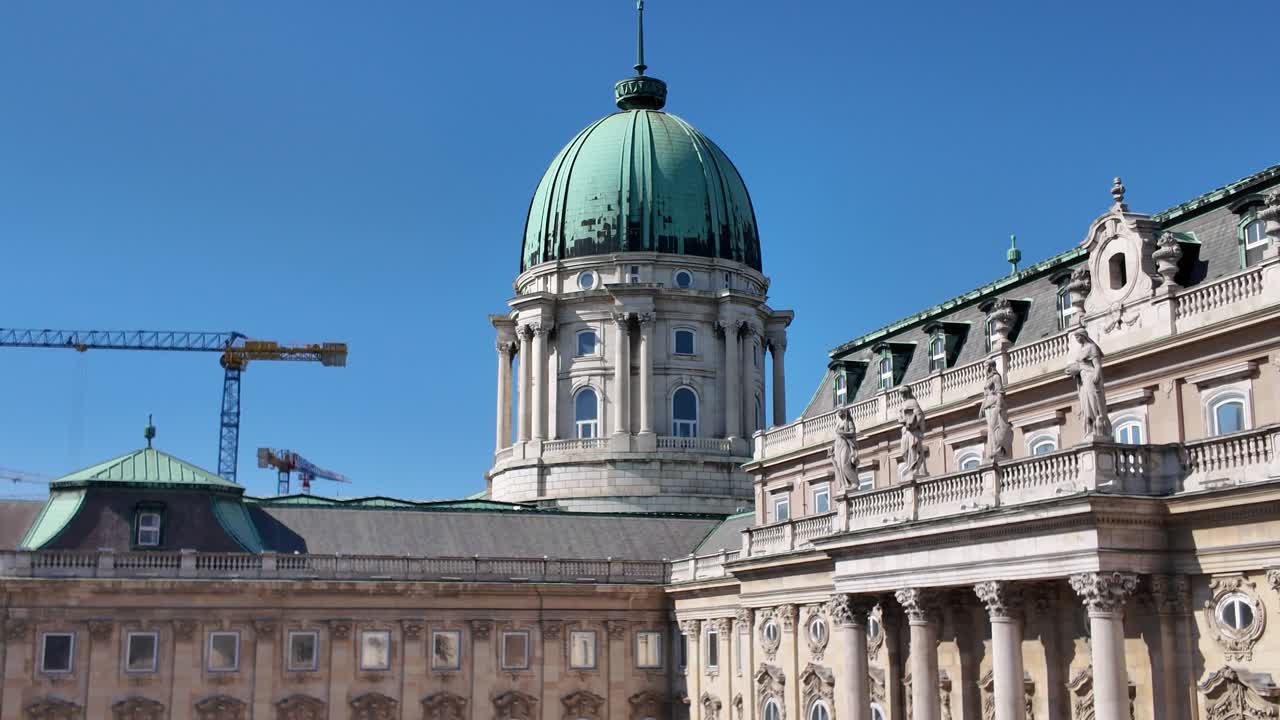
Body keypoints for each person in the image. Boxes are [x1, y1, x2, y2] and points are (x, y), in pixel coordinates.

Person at [1066, 327, 1111, 440]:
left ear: (1083, 336)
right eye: (1075, 337)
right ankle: (1090, 428)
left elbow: (1097, 364)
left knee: (1093, 400)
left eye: (1078, 337)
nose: (1077, 339)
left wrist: (1097, 374)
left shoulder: (1092, 347)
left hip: (1090, 377)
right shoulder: (1080, 350)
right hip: (1082, 379)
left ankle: (1099, 425)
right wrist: (1072, 371)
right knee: (1085, 404)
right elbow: (1079, 365)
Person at [980, 361, 1013, 463]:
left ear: (990, 367)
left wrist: (998, 406)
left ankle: (996, 449)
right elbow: (986, 396)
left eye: (986, 367)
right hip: (988, 406)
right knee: (990, 429)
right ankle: (992, 449)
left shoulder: (996, 377)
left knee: (993, 427)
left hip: (994, 405)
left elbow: (1000, 392)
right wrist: (982, 408)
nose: (985, 369)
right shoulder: (988, 379)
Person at [899, 386, 926, 479]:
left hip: (913, 431)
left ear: (908, 393)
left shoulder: (913, 402)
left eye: (904, 393)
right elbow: (901, 417)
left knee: (913, 448)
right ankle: (910, 467)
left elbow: (919, 415)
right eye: (901, 393)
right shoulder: (903, 404)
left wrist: (913, 425)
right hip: (905, 432)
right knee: (904, 452)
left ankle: (914, 469)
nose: (902, 395)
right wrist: (902, 420)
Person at [830, 408, 858, 493]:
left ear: (844, 413)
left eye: (840, 412)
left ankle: (854, 482)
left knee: (844, 465)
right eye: (838, 413)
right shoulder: (838, 423)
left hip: (845, 444)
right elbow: (837, 436)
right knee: (839, 467)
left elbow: (852, 432)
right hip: (837, 445)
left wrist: (843, 433)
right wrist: (832, 447)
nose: (839, 414)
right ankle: (845, 484)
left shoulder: (848, 422)